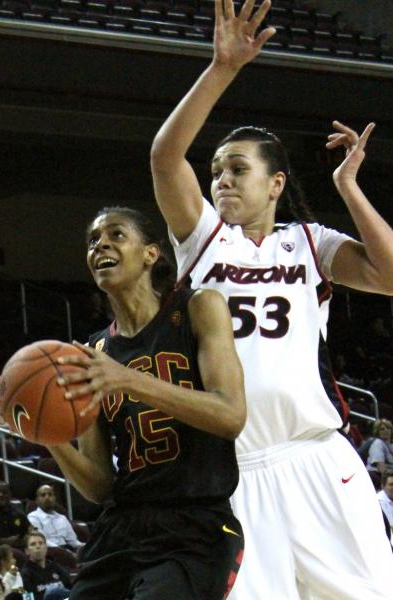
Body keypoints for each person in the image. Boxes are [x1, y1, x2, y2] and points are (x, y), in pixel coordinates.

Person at [149, 1, 393, 597]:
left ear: (277, 183)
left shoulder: (310, 243)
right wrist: (222, 68)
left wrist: (349, 187)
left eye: (237, 169)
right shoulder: (203, 241)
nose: (222, 181)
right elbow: (164, 158)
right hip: (235, 476)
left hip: (315, 458)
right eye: (215, 171)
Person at [44, 206, 246, 599]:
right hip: (122, 526)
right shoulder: (92, 352)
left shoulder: (197, 308)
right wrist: (46, 432)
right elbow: (100, 485)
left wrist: (129, 380)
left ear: (151, 253)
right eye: (92, 241)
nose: (100, 243)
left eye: (116, 235)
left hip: (194, 524)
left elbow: (230, 415)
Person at [27, 484, 84, 551]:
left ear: (54, 498)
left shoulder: (62, 518)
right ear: (37, 500)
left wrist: (84, 546)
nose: (47, 497)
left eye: (50, 494)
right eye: (43, 495)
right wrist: (65, 552)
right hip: (49, 552)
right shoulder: (33, 517)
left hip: (67, 550)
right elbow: (42, 541)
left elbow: (73, 541)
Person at [20, 531, 71, 600]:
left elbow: (71, 589)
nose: (38, 546)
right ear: (27, 551)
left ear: (46, 547)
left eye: (41, 543)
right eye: (33, 544)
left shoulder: (56, 567)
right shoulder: (25, 574)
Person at [367, 418, 393, 485]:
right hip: (380, 475)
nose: (386, 430)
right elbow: (381, 466)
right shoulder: (377, 443)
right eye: (382, 429)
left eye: (388, 428)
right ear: (377, 432)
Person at [378, 470, 393, 550]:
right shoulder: (378, 502)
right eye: (391, 484)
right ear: (383, 486)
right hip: (387, 541)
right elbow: (387, 527)